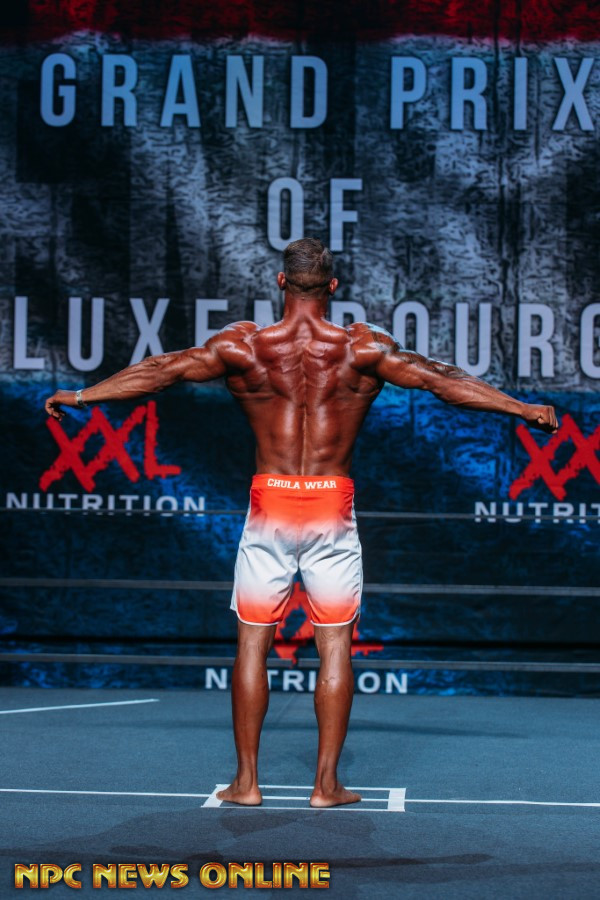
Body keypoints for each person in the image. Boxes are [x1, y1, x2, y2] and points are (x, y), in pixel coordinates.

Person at [45, 238, 558, 808]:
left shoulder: (243, 346)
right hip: (330, 505)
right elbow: (441, 378)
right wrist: (521, 408)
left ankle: (246, 783)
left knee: (252, 644)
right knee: (335, 646)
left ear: (281, 282)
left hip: (270, 503)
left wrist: (84, 395)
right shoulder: (363, 348)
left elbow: (161, 370)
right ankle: (326, 785)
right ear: (333, 286)